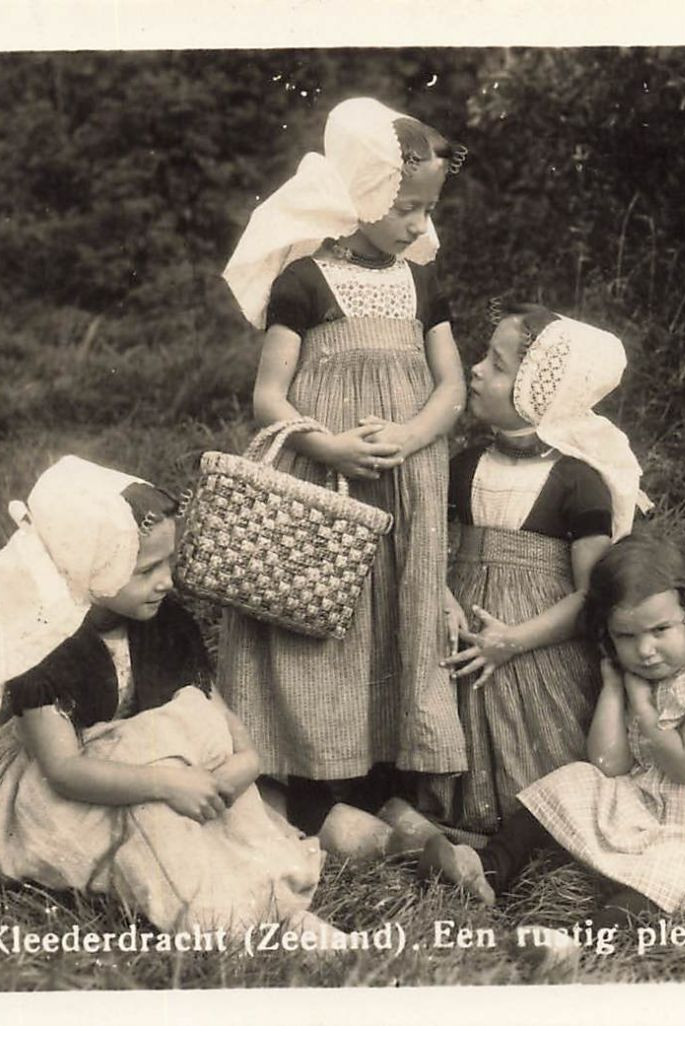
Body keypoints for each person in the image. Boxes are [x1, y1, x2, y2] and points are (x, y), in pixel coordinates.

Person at [0, 456, 335, 937]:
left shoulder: (161, 619)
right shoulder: (43, 647)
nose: (166, 580)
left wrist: (246, 759)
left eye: (168, 563)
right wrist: (167, 783)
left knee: (188, 723)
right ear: (88, 566)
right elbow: (66, 771)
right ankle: (223, 917)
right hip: (71, 789)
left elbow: (213, 708)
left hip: (150, 767)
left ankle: (263, 886)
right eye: (146, 569)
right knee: (154, 816)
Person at [218, 97, 470, 833]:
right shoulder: (303, 282)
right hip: (324, 480)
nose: (419, 226)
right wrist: (323, 443)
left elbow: (451, 384)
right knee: (325, 619)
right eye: (406, 210)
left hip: (407, 476)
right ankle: (313, 777)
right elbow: (269, 395)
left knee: (399, 614)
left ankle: (387, 774)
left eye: (426, 210)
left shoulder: (420, 283)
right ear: (359, 195)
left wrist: (414, 433)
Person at [419, 536, 685, 925]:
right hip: (654, 801)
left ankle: (589, 939)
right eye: (626, 636)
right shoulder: (638, 673)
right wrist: (613, 690)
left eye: (660, 630)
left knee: (666, 876)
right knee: (571, 782)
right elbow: (608, 764)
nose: (646, 650)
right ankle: (487, 868)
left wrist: (642, 708)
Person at [427, 304, 651, 834]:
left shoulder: (578, 482)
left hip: (536, 645)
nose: (477, 370)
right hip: (461, 627)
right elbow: (432, 549)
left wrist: (513, 641)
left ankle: (525, 825)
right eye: (484, 357)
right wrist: (442, 595)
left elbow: (590, 596)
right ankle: (446, 811)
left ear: (541, 393)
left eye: (498, 366)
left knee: (533, 740)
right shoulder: (463, 467)